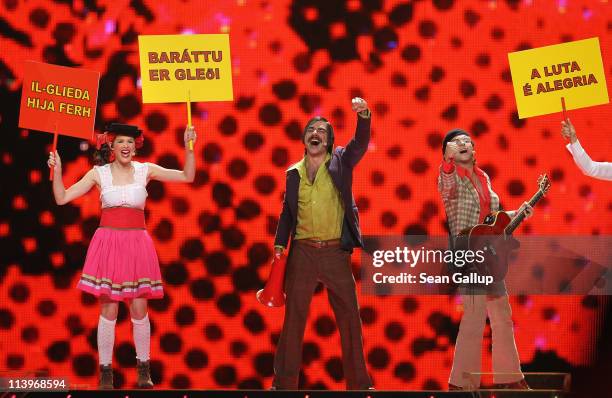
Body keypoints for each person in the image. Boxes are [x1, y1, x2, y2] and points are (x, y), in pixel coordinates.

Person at [47, 123, 197, 389]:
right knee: (109, 308)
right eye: (120, 142)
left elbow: (187, 175)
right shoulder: (99, 174)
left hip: (137, 244)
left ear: (135, 146)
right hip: (109, 244)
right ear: (112, 147)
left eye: (130, 141)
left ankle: (144, 370)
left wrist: (189, 146)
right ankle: (105, 372)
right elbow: (61, 198)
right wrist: (57, 170)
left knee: (140, 308)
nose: (126, 146)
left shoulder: (145, 170)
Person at [271, 97, 373, 390]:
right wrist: (280, 245)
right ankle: (284, 384)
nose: (316, 133)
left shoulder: (341, 160)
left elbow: (360, 143)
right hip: (302, 252)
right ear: (304, 138)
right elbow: (288, 212)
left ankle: (359, 384)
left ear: (329, 141)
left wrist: (364, 116)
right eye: (311, 129)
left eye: (323, 131)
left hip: (334, 253)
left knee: (350, 319)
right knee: (293, 321)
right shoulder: (293, 173)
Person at [438, 128, 532, 390]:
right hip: (467, 249)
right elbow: (446, 181)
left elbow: (493, 218)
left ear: (475, 150)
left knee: (501, 313)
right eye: (456, 143)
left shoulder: (483, 177)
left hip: (488, 251)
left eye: (468, 141)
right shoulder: (450, 178)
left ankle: (509, 379)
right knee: (475, 315)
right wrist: (447, 161)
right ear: (448, 152)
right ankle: (462, 384)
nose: (463, 144)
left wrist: (518, 211)